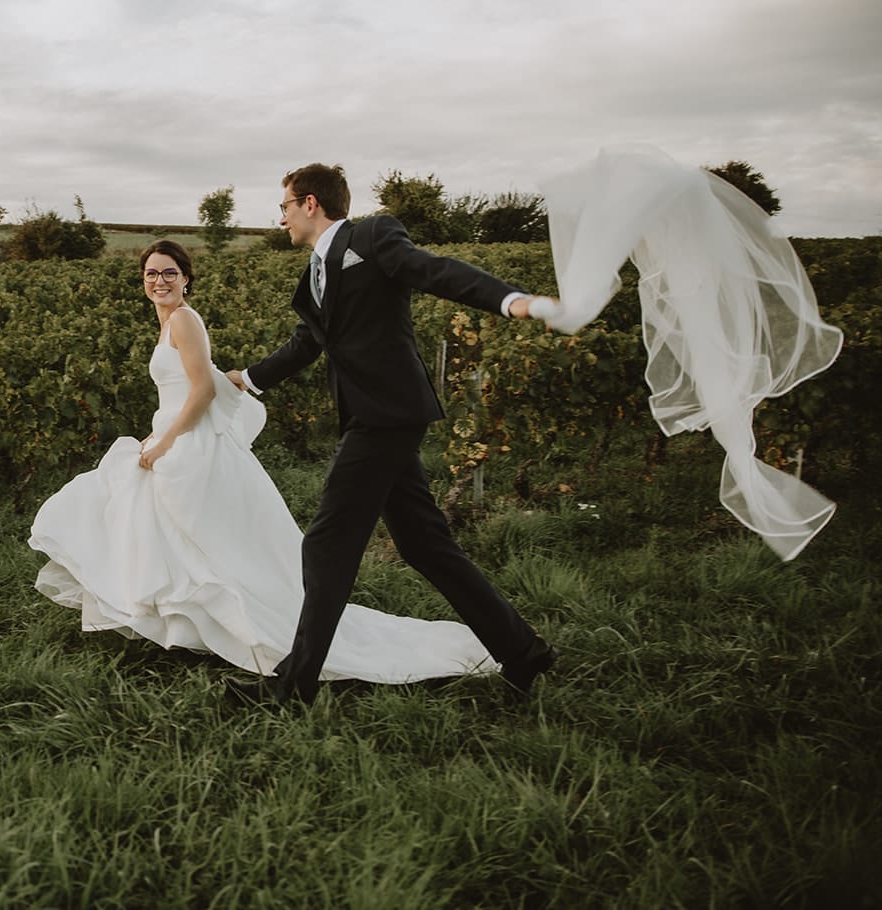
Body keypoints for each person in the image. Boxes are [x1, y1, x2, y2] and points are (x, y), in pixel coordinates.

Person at [29, 239, 499, 686]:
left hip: (192, 445)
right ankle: (184, 625)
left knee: (199, 541)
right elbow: (177, 394)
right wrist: (156, 434)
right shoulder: (167, 321)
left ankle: (242, 627)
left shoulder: (184, 322)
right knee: (169, 532)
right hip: (179, 435)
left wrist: (165, 441)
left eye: (169, 273)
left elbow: (202, 390)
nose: (159, 280)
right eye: (151, 274)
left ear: (186, 279)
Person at [223, 163, 561, 707]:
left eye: (284, 205)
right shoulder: (311, 277)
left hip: (389, 413)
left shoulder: (372, 235)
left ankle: (293, 687)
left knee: (328, 543)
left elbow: (435, 270)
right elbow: (307, 344)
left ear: (310, 203)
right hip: (370, 417)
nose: (280, 217)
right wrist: (248, 378)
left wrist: (510, 300)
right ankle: (522, 652)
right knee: (424, 544)